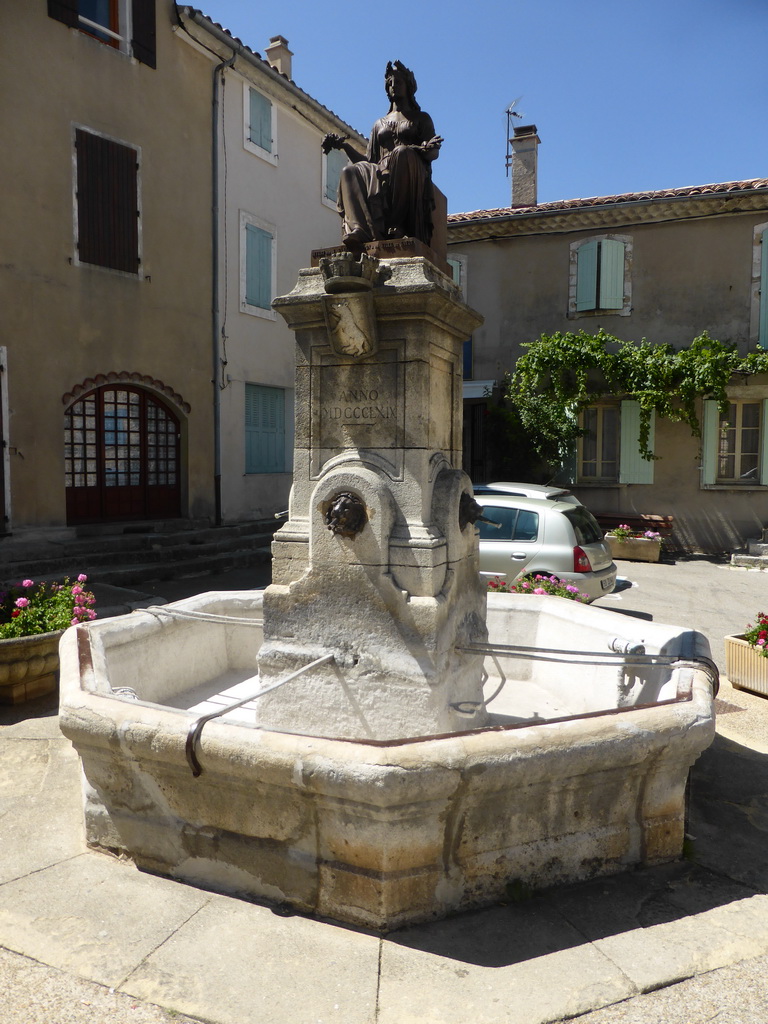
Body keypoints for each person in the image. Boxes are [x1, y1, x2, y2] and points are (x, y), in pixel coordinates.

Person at [322, 61, 443, 252]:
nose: (393, 86)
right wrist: (344, 146)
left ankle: (398, 224)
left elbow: (433, 152)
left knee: (401, 152)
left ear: (409, 86)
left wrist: (426, 149)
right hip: (380, 169)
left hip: (410, 168)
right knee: (349, 172)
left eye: (398, 82)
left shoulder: (421, 118)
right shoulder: (379, 123)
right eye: (390, 83)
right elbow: (370, 161)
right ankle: (360, 229)